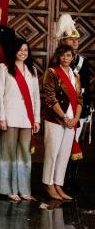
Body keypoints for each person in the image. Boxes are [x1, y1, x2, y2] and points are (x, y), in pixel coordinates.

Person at [0, 38, 40, 202]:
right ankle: (9, 189)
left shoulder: (32, 70)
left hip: (27, 117)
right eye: (20, 49)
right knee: (8, 153)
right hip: (9, 117)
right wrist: (1, 117)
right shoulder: (4, 68)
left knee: (24, 153)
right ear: (13, 51)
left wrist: (36, 119)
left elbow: (36, 97)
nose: (23, 53)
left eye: (26, 50)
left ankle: (24, 189)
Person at [55, 14, 91, 195]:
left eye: (77, 39)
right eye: (72, 39)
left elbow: (86, 87)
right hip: (61, 111)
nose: (76, 42)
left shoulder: (83, 62)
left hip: (78, 110)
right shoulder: (56, 61)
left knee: (74, 144)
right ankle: (58, 181)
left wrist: (86, 108)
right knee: (61, 147)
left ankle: (70, 179)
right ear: (64, 41)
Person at [42, 44, 82, 201]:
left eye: (69, 55)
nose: (66, 58)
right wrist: (65, 118)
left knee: (64, 154)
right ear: (58, 57)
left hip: (72, 121)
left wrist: (76, 119)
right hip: (56, 120)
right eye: (63, 55)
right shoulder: (52, 72)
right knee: (52, 153)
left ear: (72, 57)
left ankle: (58, 184)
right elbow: (50, 98)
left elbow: (79, 99)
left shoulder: (75, 75)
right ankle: (48, 183)